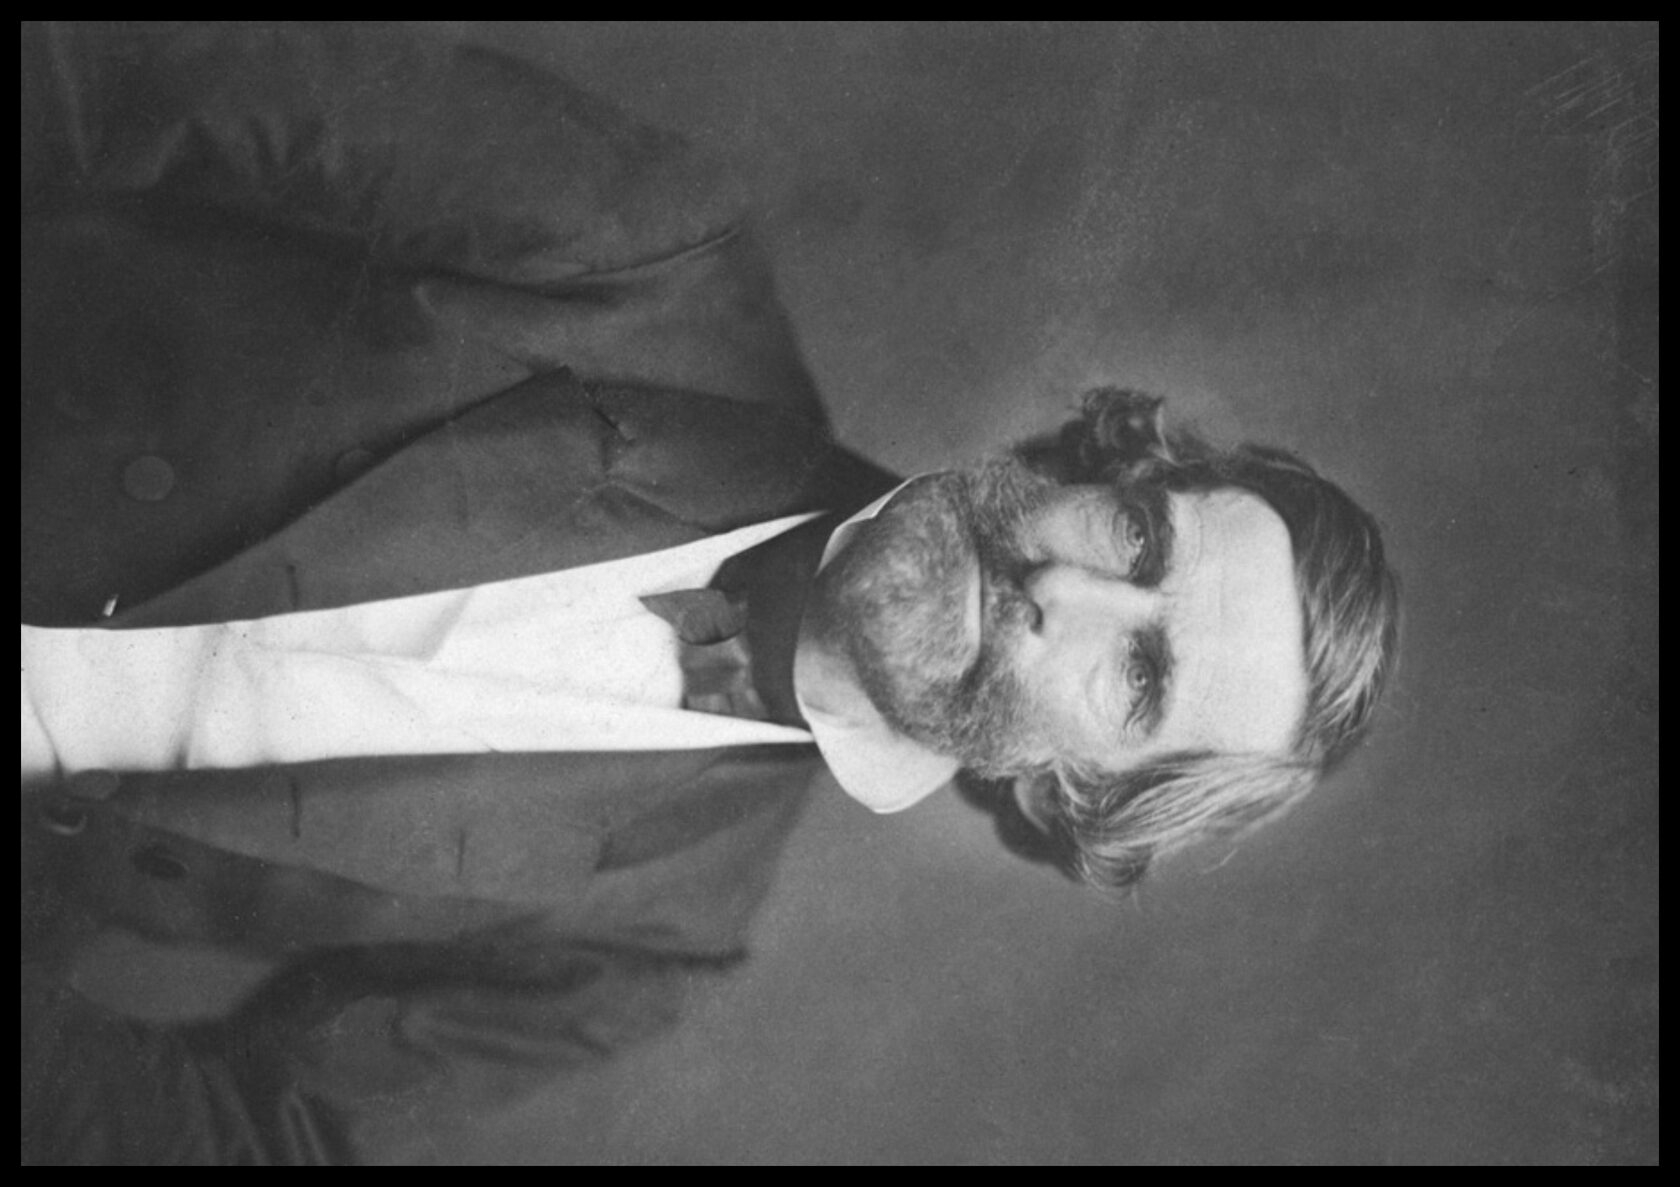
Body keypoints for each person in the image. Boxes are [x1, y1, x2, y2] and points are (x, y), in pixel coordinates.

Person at [20, 23, 1399, 1164]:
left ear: (1068, 795)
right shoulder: (648, 251)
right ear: (1095, 466)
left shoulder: (652, 943)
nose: (1067, 591)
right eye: (1136, 538)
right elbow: (113, 71)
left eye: (1138, 675)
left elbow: (258, 1134)